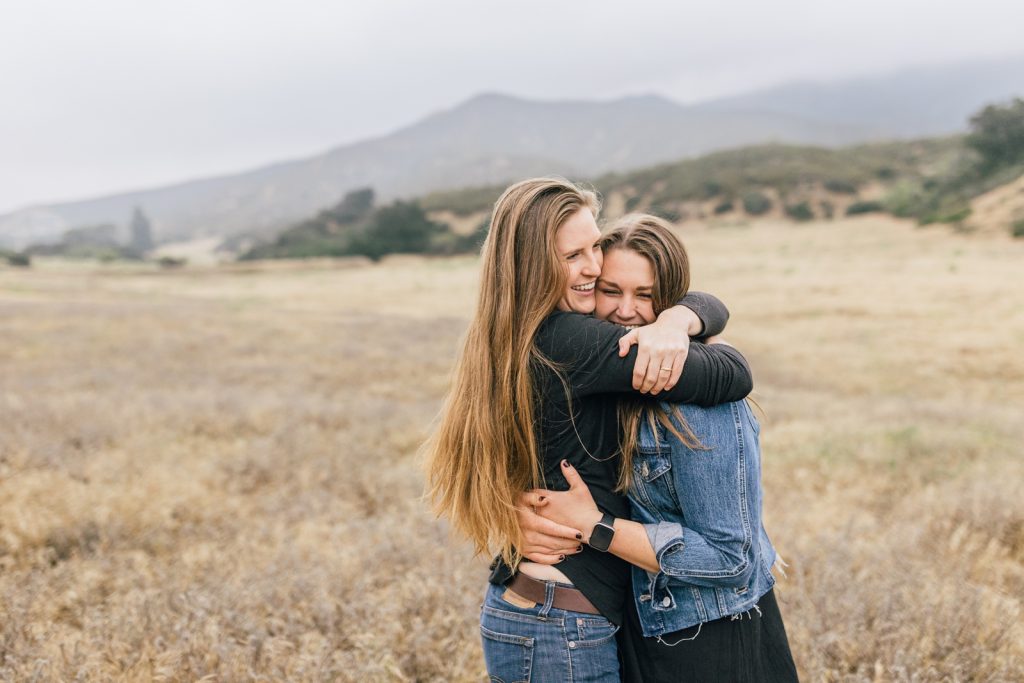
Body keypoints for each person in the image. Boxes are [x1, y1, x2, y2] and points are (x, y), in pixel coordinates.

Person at [424, 178, 754, 682]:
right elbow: (731, 373)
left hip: (545, 611)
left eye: (594, 246)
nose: (593, 266)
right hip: (559, 624)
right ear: (534, 264)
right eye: (572, 255)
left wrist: (678, 316)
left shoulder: (519, 334)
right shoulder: (570, 342)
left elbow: (708, 306)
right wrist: (676, 324)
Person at [522, 214, 799, 682]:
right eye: (611, 291)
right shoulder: (608, 371)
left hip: (709, 636)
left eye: (647, 296)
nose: (626, 311)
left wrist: (596, 526)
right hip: (642, 626)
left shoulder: (696, 400)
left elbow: (730, 558)